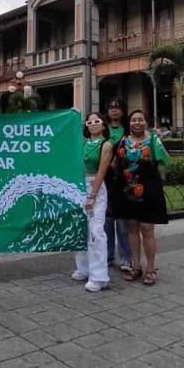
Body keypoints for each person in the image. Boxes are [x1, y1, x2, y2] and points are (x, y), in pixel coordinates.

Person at [116, 110, 170, 286]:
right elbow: (115, 163)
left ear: (146, 122)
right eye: (133, 120)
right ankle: (136, 266)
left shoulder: (153, 139)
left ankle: (151, 269)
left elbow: (165, 161)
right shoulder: (123, 141)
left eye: (140, 119)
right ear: (129, 123)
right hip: (128, 190)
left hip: (150, 190)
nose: (136, 122)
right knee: (132, 228)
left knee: (147, 229)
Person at [72, 112, 112, 292]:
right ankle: (83, 268)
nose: (93, 124)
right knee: (81, 228)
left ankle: (99, 276)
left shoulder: (106, 145)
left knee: (96, 231)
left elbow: (102, 172)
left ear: (103, 125)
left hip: (96, 187)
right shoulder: (83, 143)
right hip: (80, 186)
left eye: (97, 121)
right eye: (89, 122)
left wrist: (92, 195)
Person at [104, 98, 132, 270]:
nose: (114, 110)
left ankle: (126, 257)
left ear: (123, 111)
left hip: (123, 179)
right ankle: (107, 255)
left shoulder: (128, 130)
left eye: (118, 107)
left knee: (122, 222)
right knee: (106, 221)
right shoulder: (102, 128)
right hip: (104, 178)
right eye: (111, 107)